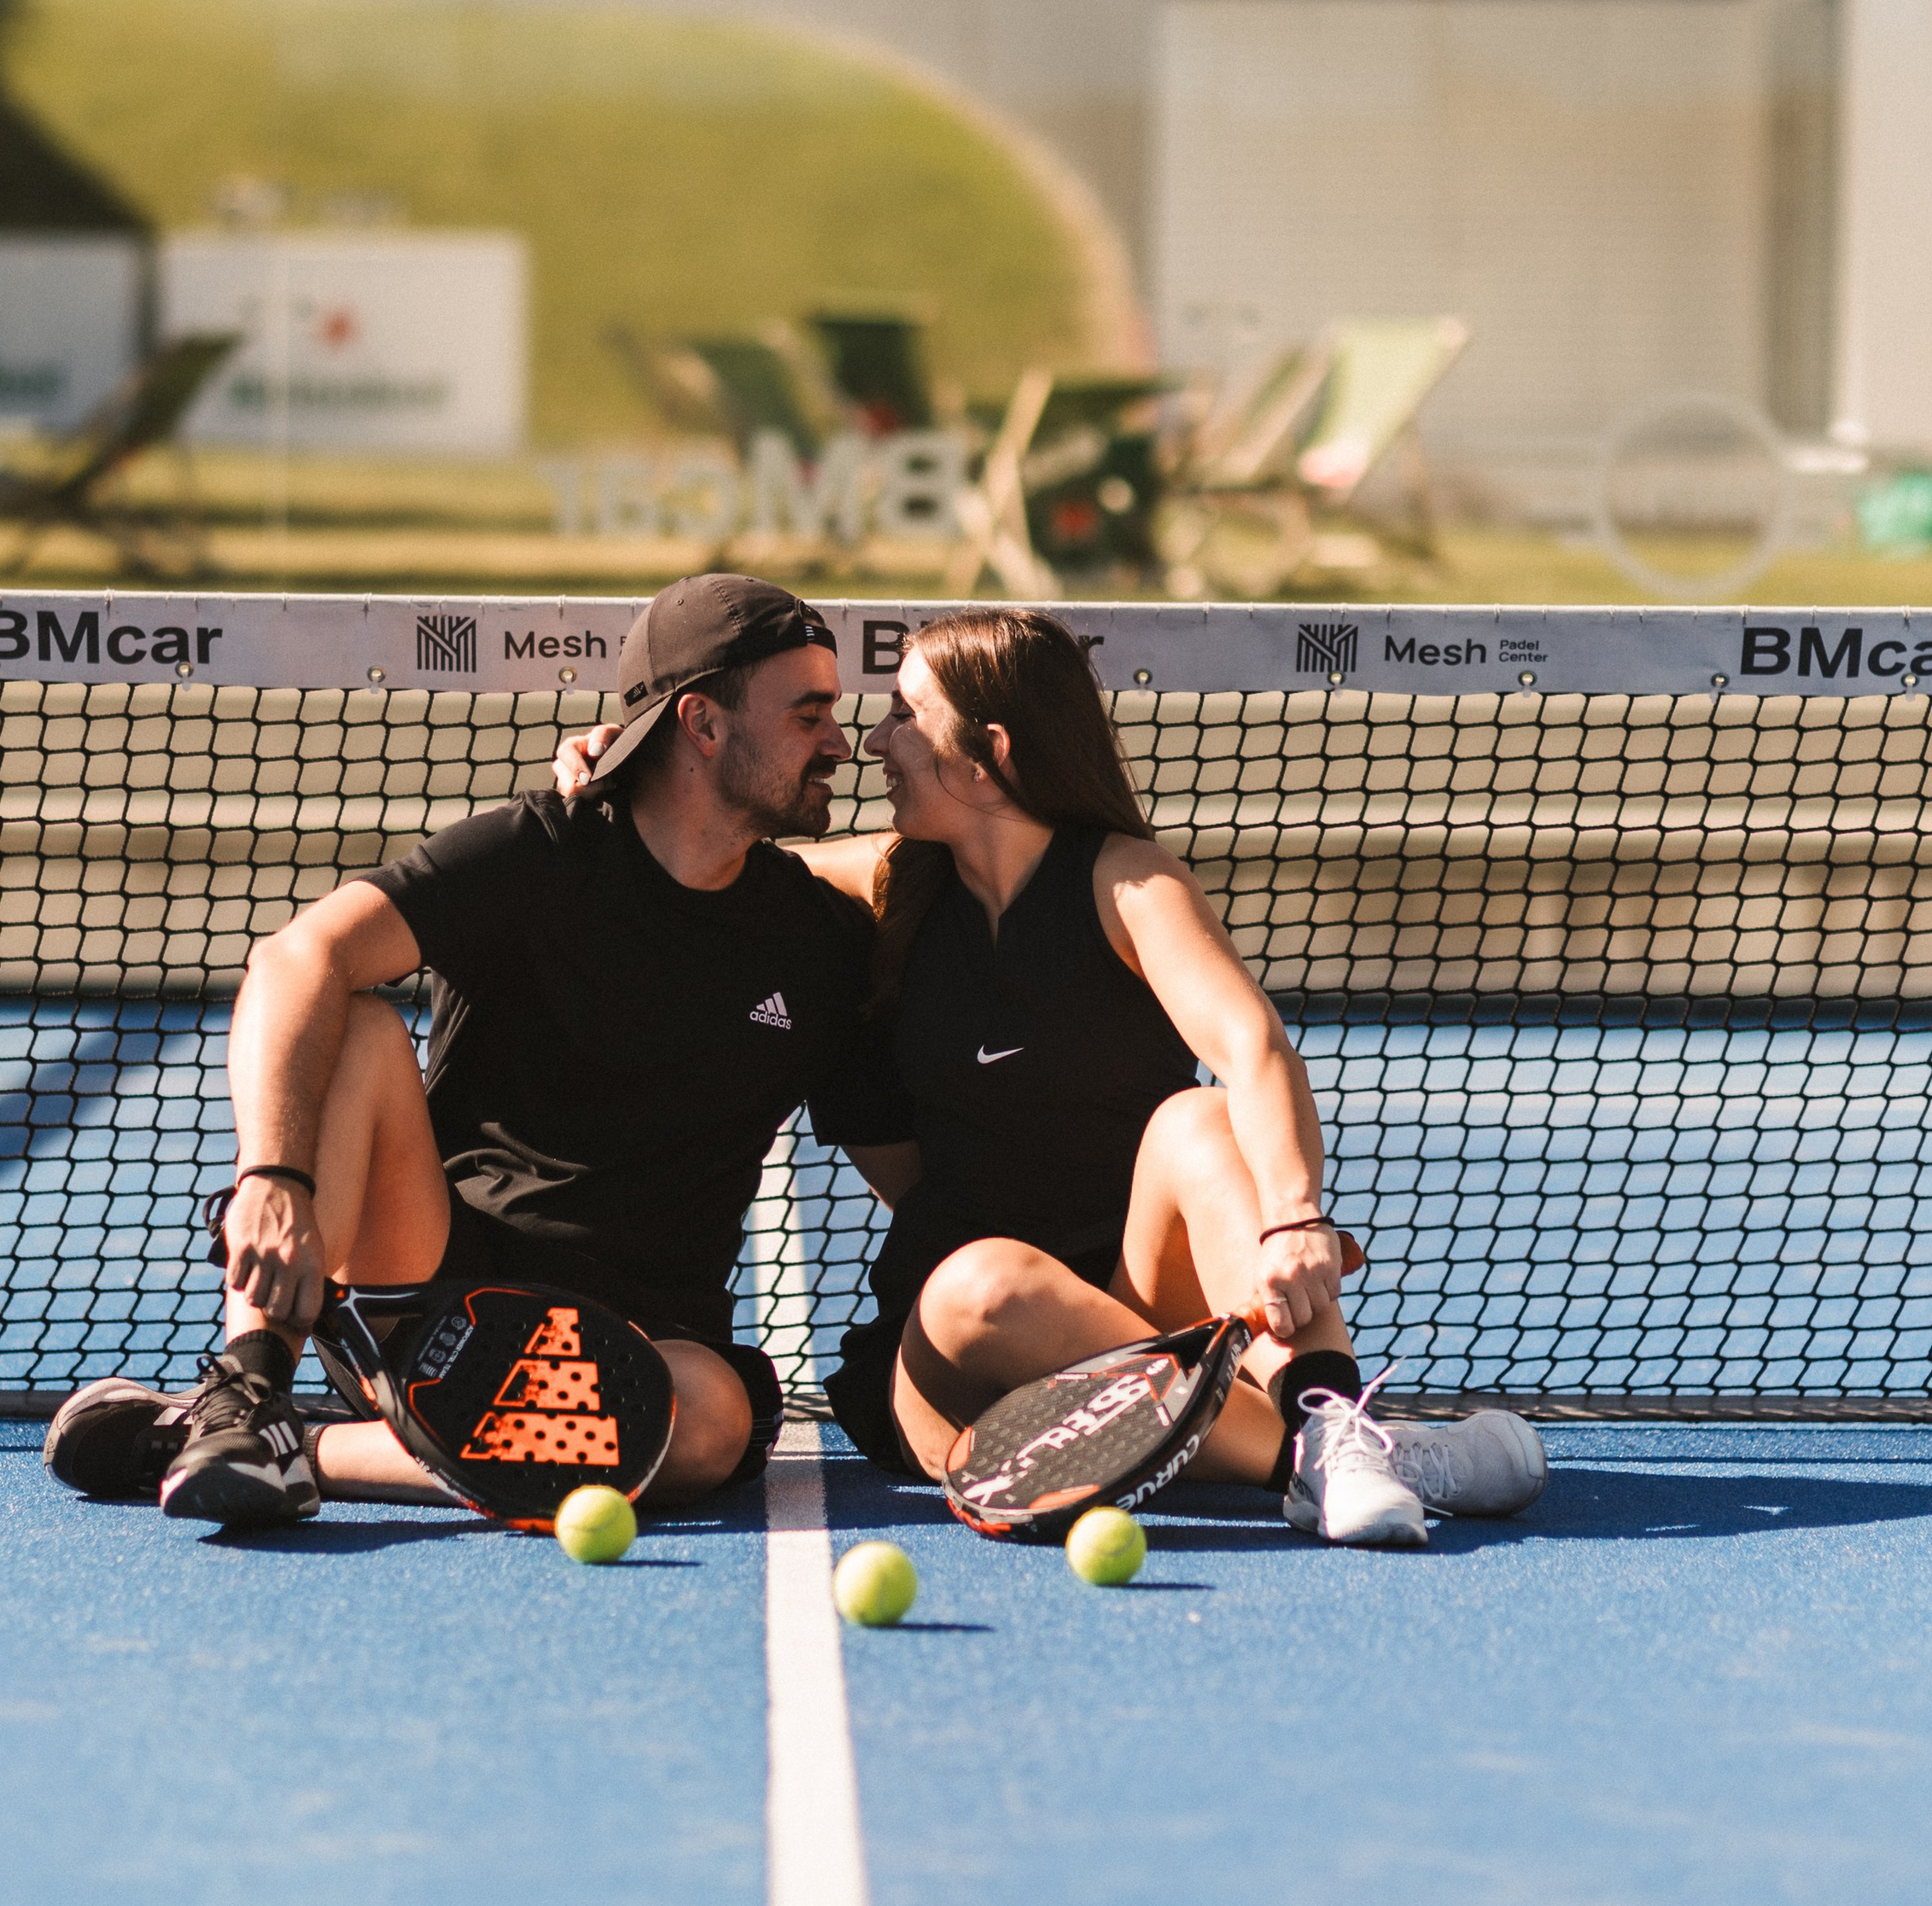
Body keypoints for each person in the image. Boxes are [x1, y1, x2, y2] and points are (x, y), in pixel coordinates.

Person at [560, 607, 1544, 1548]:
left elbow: (1252, 1047)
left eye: (906, 715)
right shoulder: (893, 877)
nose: (873, 743)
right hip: (951, 1361)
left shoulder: (1127, 881)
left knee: (1199, 1121)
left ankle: (1327, 1426)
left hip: (1132, 1304)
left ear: (988, 752)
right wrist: (630, 771)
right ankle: (1347, 1457)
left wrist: (1292, 1214)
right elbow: (702, 842)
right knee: (985, 1284)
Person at [43, 575, 913, 1529]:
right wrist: (273, 1179)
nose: (842, 742)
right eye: (809, 714)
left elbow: (914, 886)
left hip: (637, 1344)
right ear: (701, 725)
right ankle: (247, 1386)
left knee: (705, 1424)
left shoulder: (819, 941)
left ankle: (252, 1443)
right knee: (361, 1021)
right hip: (431, 1296)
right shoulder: (536, 854)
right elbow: (296, 956)